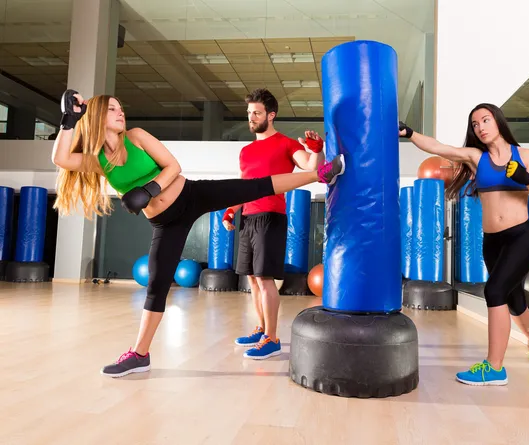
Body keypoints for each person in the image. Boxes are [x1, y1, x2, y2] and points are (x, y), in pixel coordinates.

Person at [51, 89, 346, 378]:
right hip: (165, 224)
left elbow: (173, 166)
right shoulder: (98, 161)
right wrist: (69, 119)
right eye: (113, 109)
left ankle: (320, 174)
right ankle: (140, 355)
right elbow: (61, 159)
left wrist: (149, 190)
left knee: (252, 186)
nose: (121, 112)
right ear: (99, 116)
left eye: (120, 107)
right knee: (157, 284)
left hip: (191, 194)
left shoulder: (137, 137)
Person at [399, 103, 529, 386]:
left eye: (485, 120)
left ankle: (494, 367)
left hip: (522, 237)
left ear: (498, 122)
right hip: (493, 241)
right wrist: (410, 133)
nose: (481, 127)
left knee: (494, 290)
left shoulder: (525, 156)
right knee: (514, 298)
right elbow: (439, 147)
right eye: (475, 124)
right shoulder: (476, 157)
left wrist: (526, 178)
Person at [222, 88, 326, 360]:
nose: (251, 118)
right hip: (248, 218)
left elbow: (308, 167)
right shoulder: (245, 151)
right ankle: (261, 329)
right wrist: (232, 209)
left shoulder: (286, 143)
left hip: (271, 217)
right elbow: (244, 186)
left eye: (256, 113)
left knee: (265, 279)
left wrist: (316, 149)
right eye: (249, 113)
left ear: (271, 115)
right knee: (253, 280)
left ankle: (273, 338)